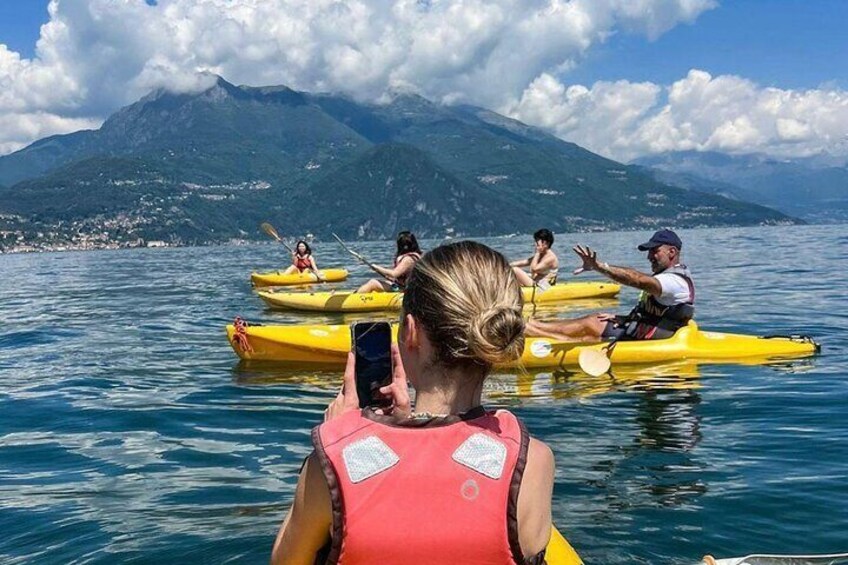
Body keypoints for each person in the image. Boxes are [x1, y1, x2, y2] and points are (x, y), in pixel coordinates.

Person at [272, 241, 556, 565]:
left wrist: (338, 435)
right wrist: (410, 425)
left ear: (410, 332)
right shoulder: (534, 462)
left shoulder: (333, 461)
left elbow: (285, 560)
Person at [526, 229, 695, 342]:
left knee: (592, 324)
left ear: (672, 252)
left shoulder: (674, 282)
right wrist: (625, 319)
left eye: (654, 251)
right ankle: (534, 327)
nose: (649, 256)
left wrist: (599, 267)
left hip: (656, 337)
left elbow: (637, 280)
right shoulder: (667, 277)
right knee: (598, 319)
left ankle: (531, 331)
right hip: (646, 329)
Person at [356, 231, 422, 293]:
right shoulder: (415, 256)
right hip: (408, 287)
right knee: (385, 282)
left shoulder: (408, 259)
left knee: (373, 283)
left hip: (405, 290)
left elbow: (394, 274)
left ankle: (353, 300)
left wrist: (376, 267)